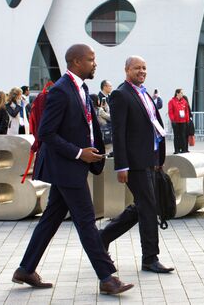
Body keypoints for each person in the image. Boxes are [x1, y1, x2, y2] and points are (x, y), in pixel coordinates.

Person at [12, 44, 133, 295]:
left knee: (51, 218)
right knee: (87, 221)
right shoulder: (60, 91)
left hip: (72, 167)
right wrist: (79, 153)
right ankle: (107, 278)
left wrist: (92, 150)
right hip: (66, 166)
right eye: (91, 59)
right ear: (76, 62)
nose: (95, 63)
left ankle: (25, 269)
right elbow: (46, 133)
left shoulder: (82, 88)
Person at [99, 56, 174, 274]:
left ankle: (101, 238)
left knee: (143, 205)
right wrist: (121, 166)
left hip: (149, 159)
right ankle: (150, 258)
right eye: (136, 68)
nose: (141, 71)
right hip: (134, 163)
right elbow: (118, 133)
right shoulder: (121, 94)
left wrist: (158, 159)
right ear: (126, 70)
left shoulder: (144, 93)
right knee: (148, 207)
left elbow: (154, 127)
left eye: (144, 68)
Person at [168, 88, 190, 154]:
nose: (182, 94)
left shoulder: (184, 101)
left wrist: (187, 120)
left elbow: (186, 112)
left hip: (183, 121)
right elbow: (170, 112)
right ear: (177, 93)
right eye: (181, 93)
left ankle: (183, 149)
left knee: (183, 135)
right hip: (176, 121)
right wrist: (172, 120)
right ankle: (176, 149)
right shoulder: (171, 101)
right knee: (176, 135)